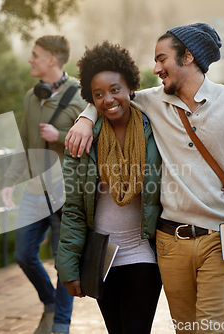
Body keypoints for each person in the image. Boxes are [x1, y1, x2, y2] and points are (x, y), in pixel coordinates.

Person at [65, 23, 224, 334]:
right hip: (169, 242)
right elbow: (111, 95)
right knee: (184, 329)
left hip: (221, 237)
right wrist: (84, 118)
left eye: (162, 59)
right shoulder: (152, 101)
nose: (156, 68)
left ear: (187, 57)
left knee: (210, 329)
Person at [56, 41, 163, 334]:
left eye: (115, 89)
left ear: (130, 86)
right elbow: (75, 208)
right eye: (98, 94)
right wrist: (68, 268)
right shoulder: (83, 140)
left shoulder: (155, 128)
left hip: (143, 254)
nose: (108, 99)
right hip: (101, 257)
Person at [0, 35, 87, 334]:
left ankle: (60, 324)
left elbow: (96, 143)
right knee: (23, 254)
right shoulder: (30, 97)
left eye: (35, 55)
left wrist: (59, 136)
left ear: (52, 59)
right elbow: (24, 143)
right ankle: (50, 303)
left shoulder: (81, 96)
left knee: (65, 263)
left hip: (67, 194)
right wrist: (10, 181)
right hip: (35, 193)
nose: (30, 59)